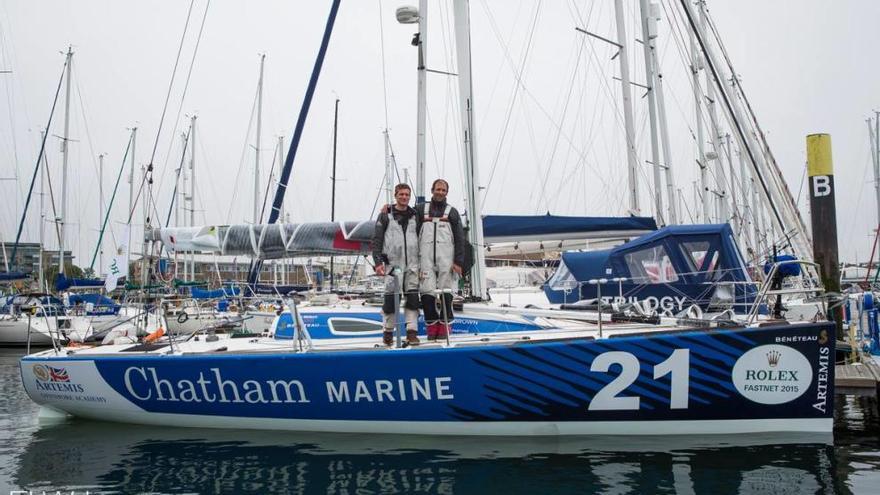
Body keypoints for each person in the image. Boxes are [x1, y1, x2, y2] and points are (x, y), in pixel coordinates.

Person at [372, 183, 422, 346]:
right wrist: (377, 261)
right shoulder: (386, 215)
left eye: (407, 194)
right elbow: (377, 239)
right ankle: (388, 332)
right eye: (401, 194)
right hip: (394, 265)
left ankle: (412, 333)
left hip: (412, 264)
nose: (404, 197)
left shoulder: (415, 215)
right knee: (391, 300)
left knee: (413, 299)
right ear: (395, 195)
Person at [418, 179, 465, 341]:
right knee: (426, 293)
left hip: (447, 258)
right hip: (425, 258)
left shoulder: (452, 212)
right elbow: (403, 215)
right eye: (438, 189)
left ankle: (445, 327)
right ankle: (432, 328)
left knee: (447, 293)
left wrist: (458, 262)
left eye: (444, 190)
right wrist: (388, 208)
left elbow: (460, 238)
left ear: (447, 192)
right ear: (432, 190)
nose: (440, 192)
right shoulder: (421, 210)